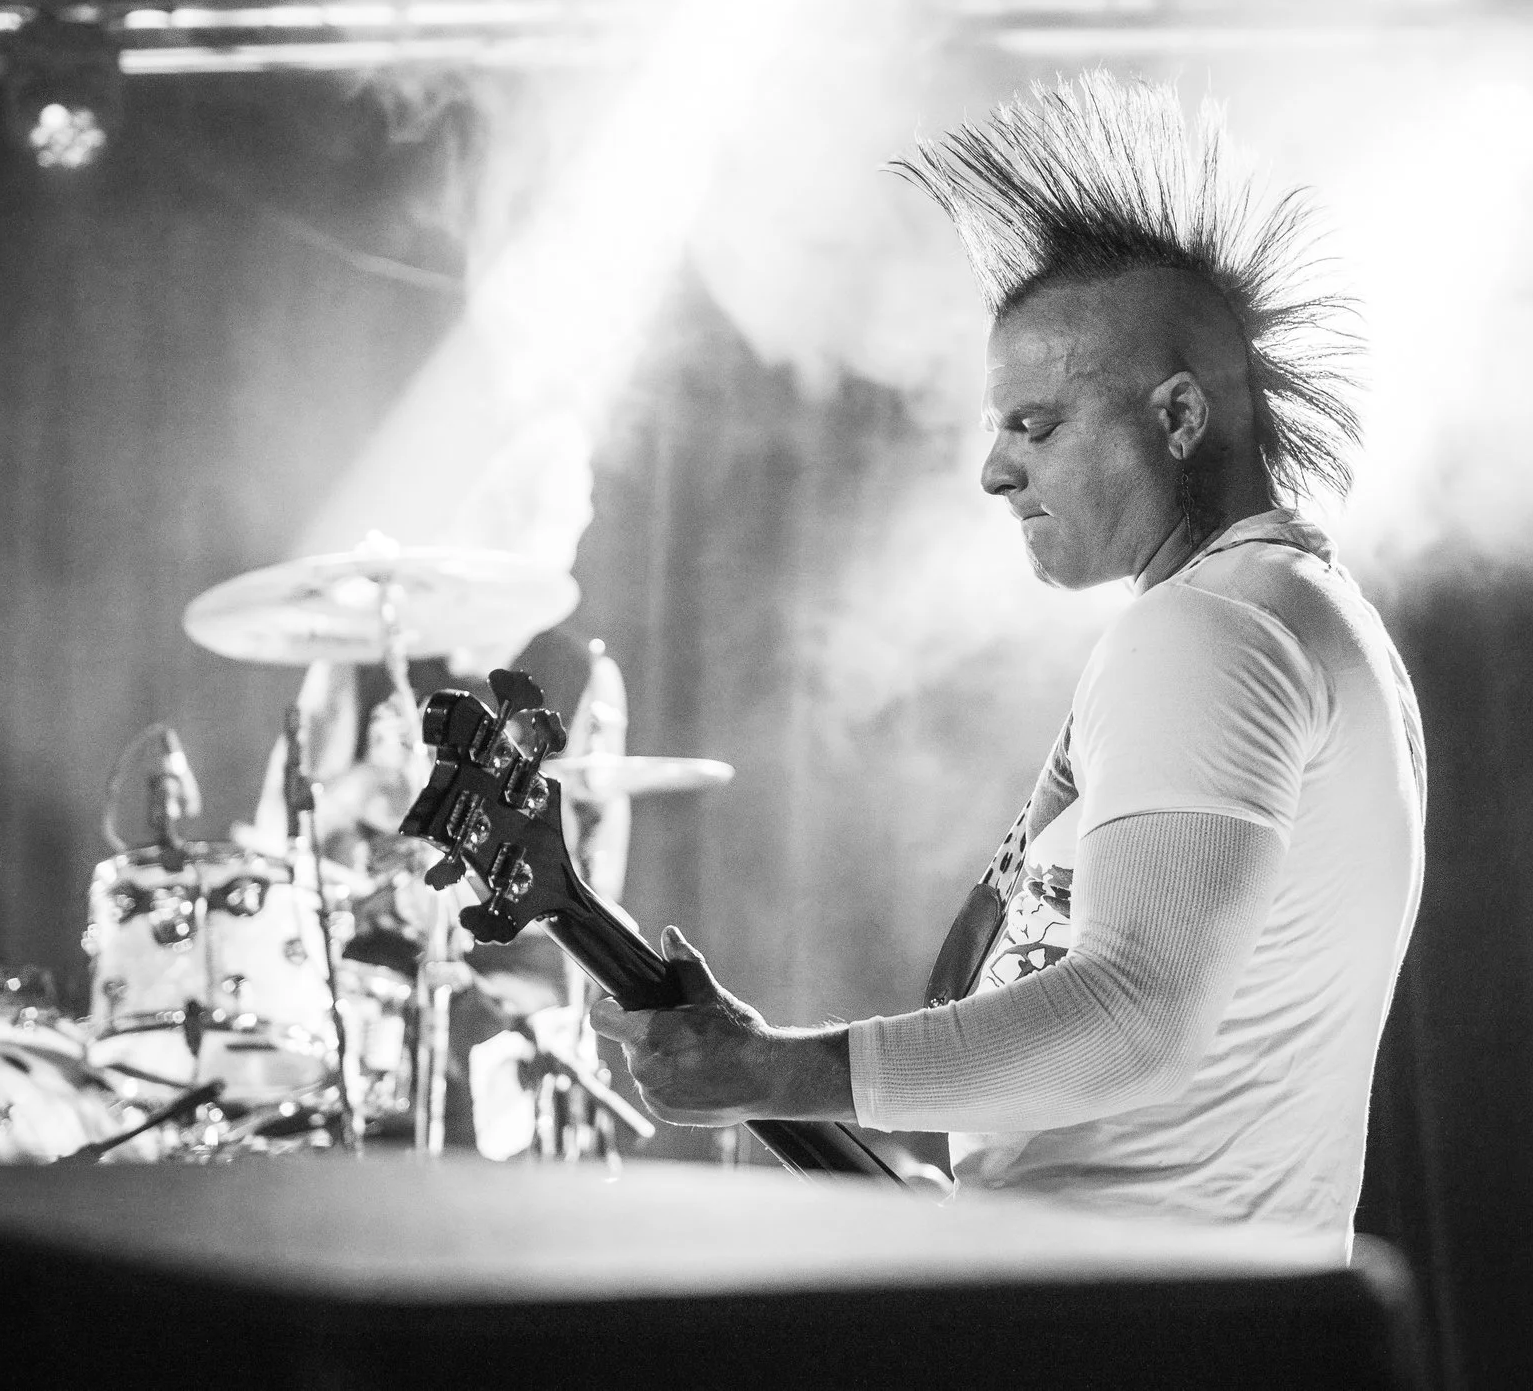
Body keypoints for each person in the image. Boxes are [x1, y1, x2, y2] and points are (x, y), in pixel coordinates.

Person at [594, 71, 1425, 1241]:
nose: (994, 471)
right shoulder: (1309, 619)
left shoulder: (1207, 629)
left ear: (1179, 417)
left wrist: (778, 1071)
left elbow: (1137, 1014)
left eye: (1035, 425)